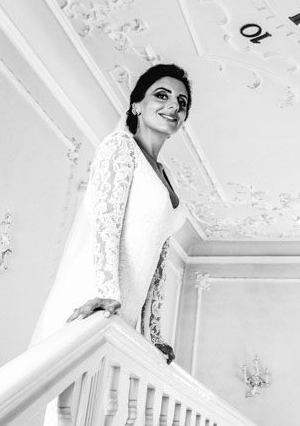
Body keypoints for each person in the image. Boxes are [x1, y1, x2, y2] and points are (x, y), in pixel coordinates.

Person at [30, 63, 192, 366]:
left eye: (182, 102)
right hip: (96, 299)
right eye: (162, 95)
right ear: (136, 105)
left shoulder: (168, 176)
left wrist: (153, 333)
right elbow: (106, 223)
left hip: (124, 312)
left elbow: (158, 261)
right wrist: (106, 293)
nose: (174, 105)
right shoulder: (121, 147)